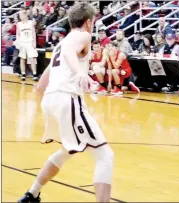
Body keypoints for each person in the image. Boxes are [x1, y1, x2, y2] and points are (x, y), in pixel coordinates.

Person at [18, 3, 114, 202]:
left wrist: (51, 104)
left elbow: (40, 86)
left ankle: (31, 194)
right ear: (88, 22)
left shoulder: (60, 45)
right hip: (66, 99)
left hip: (51, 100)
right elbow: (72, 51)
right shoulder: (83, 36)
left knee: (67, 150)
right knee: (105, 156)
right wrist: (80, 73)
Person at [16, 9, 39, 81]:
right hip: (22, 42)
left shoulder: (31, 23)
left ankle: (34, 74)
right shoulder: (18, 24)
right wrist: (18, 42)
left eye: (21, 15)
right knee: (22, 58)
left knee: (32, 58)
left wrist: (34, 42)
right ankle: (23, 74)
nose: (20, 16)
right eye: (19, 15)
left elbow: (33, 33)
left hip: (30, 42)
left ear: (25, 15)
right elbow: (17, 34)